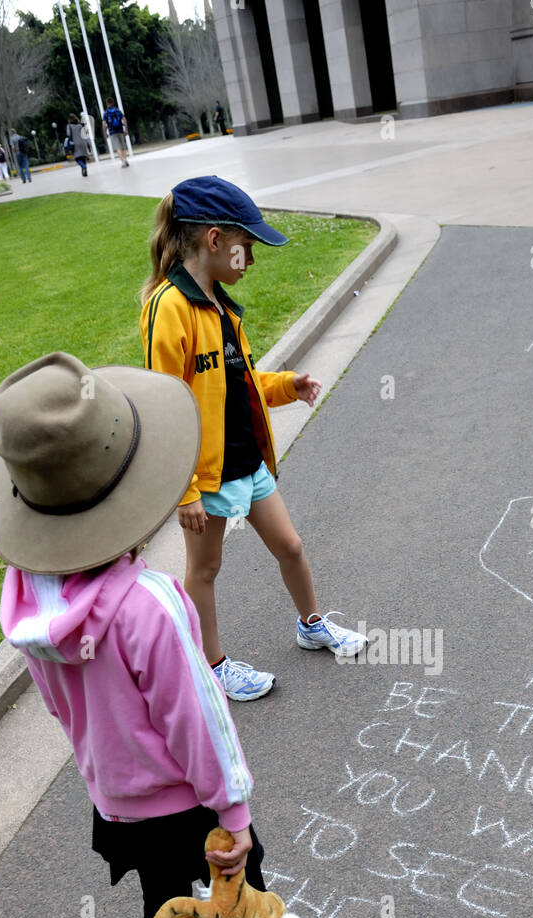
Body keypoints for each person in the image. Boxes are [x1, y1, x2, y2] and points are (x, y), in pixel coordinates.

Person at [0, 350, 398, 918]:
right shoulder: (150, 605)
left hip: (116, 798)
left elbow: (58, 705)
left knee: (163, 906)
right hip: (191, 806)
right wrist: (232, 813)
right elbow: (196, 722)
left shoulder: (27, 604)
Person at [139, 175, 368, 701]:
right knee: (205, 568)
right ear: (215, 240)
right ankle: (213, 666)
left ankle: (311, 626)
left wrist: (286, 385)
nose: (253, 260)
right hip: (206, 473)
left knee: (290, 544)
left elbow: (239, 379)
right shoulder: (168, 307)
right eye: (248, 248)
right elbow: (163, 407)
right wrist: (187, 489)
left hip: (248, 461)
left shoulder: (218, 301)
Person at [101, 98, 129, 167]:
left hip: (112, 132)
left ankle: (122, 162)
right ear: (113, 103)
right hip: (120, 130)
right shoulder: (118, 110)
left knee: (117, 147)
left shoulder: (106, 112)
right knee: (123, 146)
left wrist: (105, 133)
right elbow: (124, 120)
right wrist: (126, 129)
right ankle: (125, 160)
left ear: (107, 104)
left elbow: (104, 124)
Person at [65, 113, 89, 177]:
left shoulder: (69, 126)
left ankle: (83, 167)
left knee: (77, 158)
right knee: (83, 157)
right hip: (82, 143)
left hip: (75, 144)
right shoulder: (80, 125)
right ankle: (84, 171)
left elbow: (68, 134)